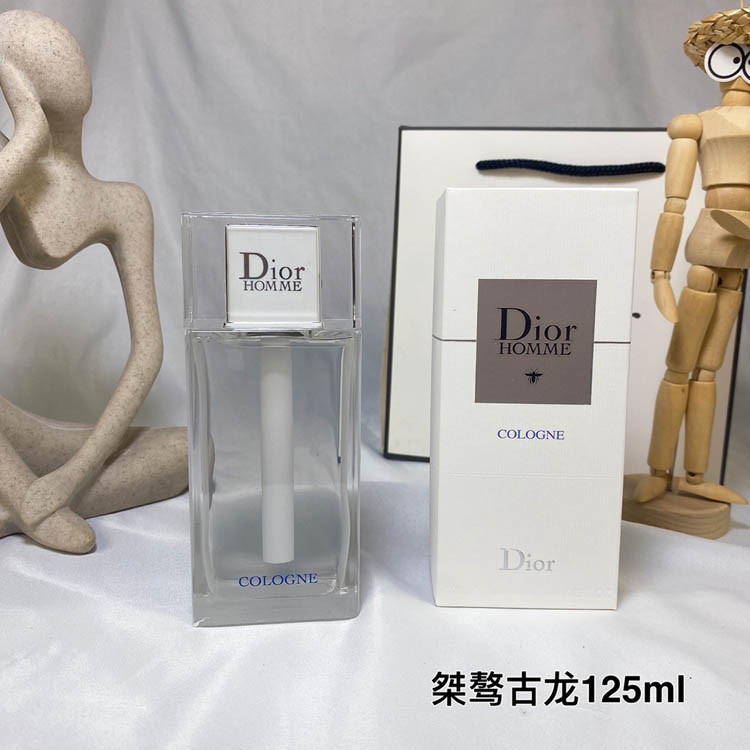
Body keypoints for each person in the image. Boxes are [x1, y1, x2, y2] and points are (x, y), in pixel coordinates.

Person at [0, 10, 186, 553]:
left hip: (26, 439)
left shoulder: (124, 203)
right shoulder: (9, 163)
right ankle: (25, 501)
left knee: (190, 448)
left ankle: (17, 509)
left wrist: (73, 474)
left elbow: (148, 352)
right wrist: (29, 132)